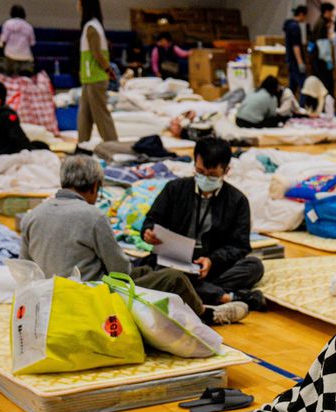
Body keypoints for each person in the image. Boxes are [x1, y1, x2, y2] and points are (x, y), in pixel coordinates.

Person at [20, 156, 249, 326]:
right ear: (95, 187)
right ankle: (207, 315)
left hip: (50, 295)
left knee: (152, 268)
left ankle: (211, 298)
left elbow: (25, 267)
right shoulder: (94, 216)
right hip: (94, 293)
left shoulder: (32, 216)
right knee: (172, 278)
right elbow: (120, 270)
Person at [140, 138, 267, 311]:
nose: (205, 178)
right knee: (156, 271)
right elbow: (151, 220)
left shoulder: (237, 201)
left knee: (254, 266)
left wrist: (212, 260)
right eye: (200, 171)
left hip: (210, 264)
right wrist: (148, 232)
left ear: (226, 170)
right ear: (194, 165)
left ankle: (190, 291)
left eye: (212, 175)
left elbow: (240, 245)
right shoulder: (175, 189)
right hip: (174, 261)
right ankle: (225, 296)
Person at [77, 0, 117, 144]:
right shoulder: (93, 26)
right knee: (84, 116)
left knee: (101, 115)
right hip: (90, 77)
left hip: (95, 77)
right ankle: (82, 146)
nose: (78, 5)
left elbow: (97, 54)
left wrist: (108, 69)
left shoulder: (91, 27)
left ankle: (113, 146)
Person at [0, 5, 35, 76]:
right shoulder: (28, 26)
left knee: (9, 76)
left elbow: (3, 38)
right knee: (24, 76)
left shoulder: (8, 23)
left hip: (10, 53)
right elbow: (32, 43)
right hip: (25, 55)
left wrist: (0, 48)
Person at [310, 2, 336, 94]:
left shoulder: (319, 21)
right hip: (321, 59)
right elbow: (323, 44)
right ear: (327, 12)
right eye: (331, 12)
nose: (332, 15)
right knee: (327, 84)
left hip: (316, 57)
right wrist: (328, 60)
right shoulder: (322, 24)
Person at [283, 5, 309, 93]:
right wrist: (300, 62)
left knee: (292, 87)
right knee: (304, 86)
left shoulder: (289, 25)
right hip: (295, 61)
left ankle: (289, 105)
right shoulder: (295, 27)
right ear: (301, 14)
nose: (305, 18)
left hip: (290, 60)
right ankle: (302, 106)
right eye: (305, 15)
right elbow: (296, 45)